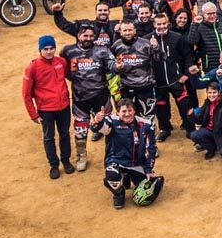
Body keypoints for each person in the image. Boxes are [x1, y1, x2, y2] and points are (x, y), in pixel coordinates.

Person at [61, 23, 112, 172]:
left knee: (108, 128)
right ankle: (81, 156)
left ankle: (112, 156)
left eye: (91, 36)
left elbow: (111, 66)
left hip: (101, 96)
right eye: (85, 35)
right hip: (80, 98)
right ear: (78, 36)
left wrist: (118, 66)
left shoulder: (102, 50)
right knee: (80, 131)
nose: (88, 38)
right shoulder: (67, 51)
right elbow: (63, 68)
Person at [23, 35, 73, 179]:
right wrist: (33, 114)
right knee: (48, 137)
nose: (49, 52)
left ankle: (66, 160)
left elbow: (70, 76)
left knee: (64, 134)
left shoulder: (61, 62)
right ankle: (54, 165)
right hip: (45, 110)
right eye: (45, 49)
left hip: (63, 106)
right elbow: (26, 94)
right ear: (40, 50)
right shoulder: (32, 68)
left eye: (52, 48)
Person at [95, 99, 160, 209]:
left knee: (148, 184)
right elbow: (100, 128)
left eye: (130, 110)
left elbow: (150, 149)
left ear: (134, 111)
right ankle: (119, 194)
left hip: (136, 163)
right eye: (123, 111)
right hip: (116, 161)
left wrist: (148, 170)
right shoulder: (111, 122)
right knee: (112, 175)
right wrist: (98, 121)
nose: (127, 114)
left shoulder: (146, 125)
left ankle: (127, 176)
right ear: (118, 113)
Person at [150, 10, 194, 140]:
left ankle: (189, 127)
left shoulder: (176, 37)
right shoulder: (147, 39)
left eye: (164, 23)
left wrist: (185, 74)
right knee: (161, 106)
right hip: (158, 82)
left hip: (176, 79)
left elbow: (187, 56)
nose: (162, 26)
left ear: (168, 23)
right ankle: (165, 128)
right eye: (159, 24)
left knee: (185, 104)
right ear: (154, 24)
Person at [109, 20, 157, 121]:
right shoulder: (116, 46)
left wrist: (156, 47)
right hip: (126, 87)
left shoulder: (145, 44)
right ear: (120, 32)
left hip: (145, 85)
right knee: (126, 116)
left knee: (147, 116)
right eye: (125, 30)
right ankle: (129, 135)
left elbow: (160, 59)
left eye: (130, 30)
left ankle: (146, 135)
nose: (127, 33)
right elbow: (110, 65)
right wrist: (116, 67)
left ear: (135, 31)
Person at [188, 81, 222, 163]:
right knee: (194, 135)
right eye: (209, 92)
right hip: (209, 130)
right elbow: (199, 120)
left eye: (214, 92)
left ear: (219, 92)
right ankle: (211, 148)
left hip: (221, 134)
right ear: (206, 93)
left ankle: (221, 147)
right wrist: (191, 115)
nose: (212, 95)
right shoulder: (207, 103)